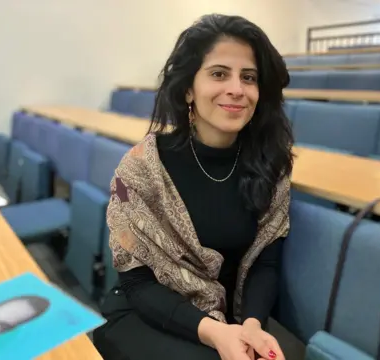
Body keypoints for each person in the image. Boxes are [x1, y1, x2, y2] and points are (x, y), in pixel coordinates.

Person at [93, 13, 294, 360]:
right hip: (144, 312)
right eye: (219, 74)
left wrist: (252, 327)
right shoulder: (140, 170)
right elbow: (137, 284)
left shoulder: (269, 167)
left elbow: (265, 264)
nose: (236, 89)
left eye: (249, 78)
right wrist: (216, 334)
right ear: (188, 88)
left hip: (229, 320)